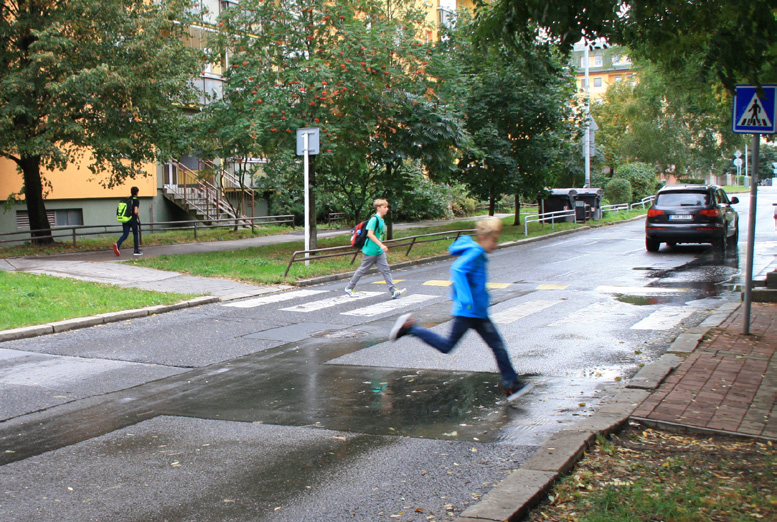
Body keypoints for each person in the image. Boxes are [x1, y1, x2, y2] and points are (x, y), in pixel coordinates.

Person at [388, 217, 531, 399]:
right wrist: (466, 299)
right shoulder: (475, 254)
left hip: (478, 313)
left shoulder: (478, 254)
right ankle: (410, 328)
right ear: (483, 238)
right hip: (468, 312)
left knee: (498, 346)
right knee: (448, 346)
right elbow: (458, 270)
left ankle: (512, 384)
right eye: (494, 239)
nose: (496, 244)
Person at [344, 198, 406, 300]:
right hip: (370, 250)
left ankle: (393, 291)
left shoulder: (381, 220)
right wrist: (381, 244)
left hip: (378, 251)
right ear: (378, 208)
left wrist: (380, 246)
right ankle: (349, 288)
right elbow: (370, 234)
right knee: (362, 269)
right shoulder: (374, 219)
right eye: (384, 207)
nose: (387, 209)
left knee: (386, 270)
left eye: (387, 207)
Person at [113, 186, 142, 256]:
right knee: (135, 234)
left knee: (125, 234)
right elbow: (135, 211)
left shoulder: (127, 199)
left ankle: (117, 244)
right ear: (137, 192)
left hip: (125, 219)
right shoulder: (136, 200)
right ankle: (136, 250)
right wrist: (138, 215)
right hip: (132, 220)